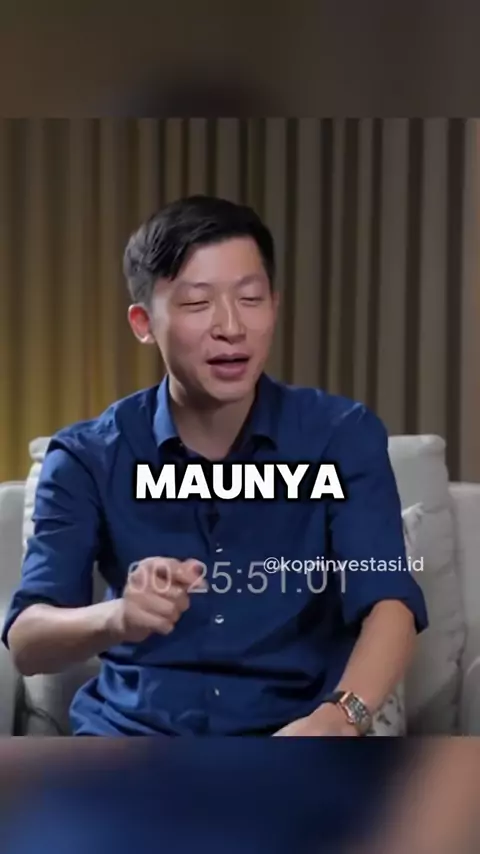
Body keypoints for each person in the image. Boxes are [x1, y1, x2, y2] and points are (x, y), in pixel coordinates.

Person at [2, 195, 427, 737]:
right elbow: (27, 642)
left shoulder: (340, 437)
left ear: (274, 304)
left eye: (250, 298)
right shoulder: (89, 457)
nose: (231, 326)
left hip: (296, 739)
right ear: (143, 322)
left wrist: (338, 720)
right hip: (133, 741)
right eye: (197, 303)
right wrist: (119, 616)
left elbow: (388, 600)